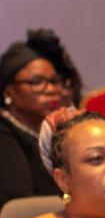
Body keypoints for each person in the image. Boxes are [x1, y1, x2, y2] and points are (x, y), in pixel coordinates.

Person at [0, 34, 67, 208]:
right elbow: (20, 204)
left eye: (54, 81)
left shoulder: (55, 129)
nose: (51, 89)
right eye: (37, 82)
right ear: (8, 91)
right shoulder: (3, 134)